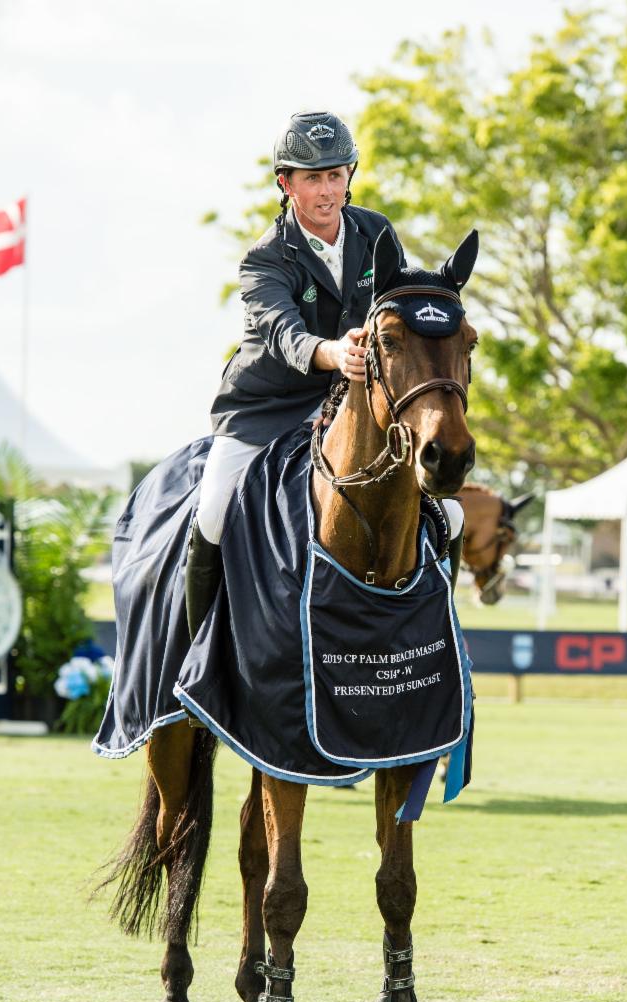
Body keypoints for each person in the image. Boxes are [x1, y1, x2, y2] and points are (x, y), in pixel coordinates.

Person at [186, 109, 465, 637]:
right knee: (214, 511)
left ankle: (434, 640)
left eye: (336, 175)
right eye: (313, 177)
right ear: (285, 183)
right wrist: (335, 354)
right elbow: (285, 334)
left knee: (451, 515)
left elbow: (395, 312)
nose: (327, 190)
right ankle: (197, 660)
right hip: (264, 410)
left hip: (350, 405)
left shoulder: (375, 233)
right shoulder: (263, 260)